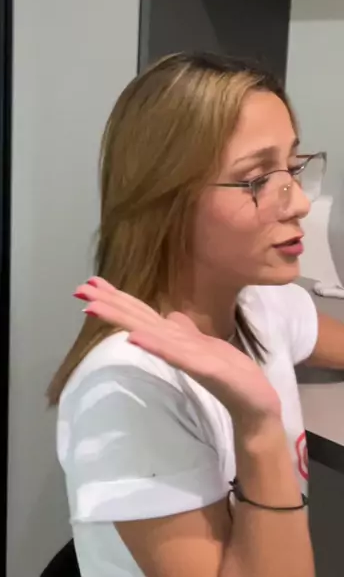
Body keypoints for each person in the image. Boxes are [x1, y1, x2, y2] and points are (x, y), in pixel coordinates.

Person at [47, 52, 342, 577]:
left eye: (294, 168)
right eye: (257, 179)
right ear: (166, 201)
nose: (298, 202)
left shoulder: (259, 303)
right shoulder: (126, 390)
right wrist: (258, 427)